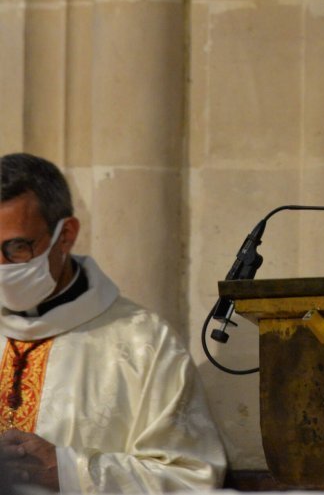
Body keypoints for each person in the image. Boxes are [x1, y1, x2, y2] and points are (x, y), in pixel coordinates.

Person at [0, 153, 226, 492]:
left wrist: (67, 470)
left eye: (17, 247)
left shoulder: (144, 344)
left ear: (66, 235)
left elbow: (192, 477)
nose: (1, 265)